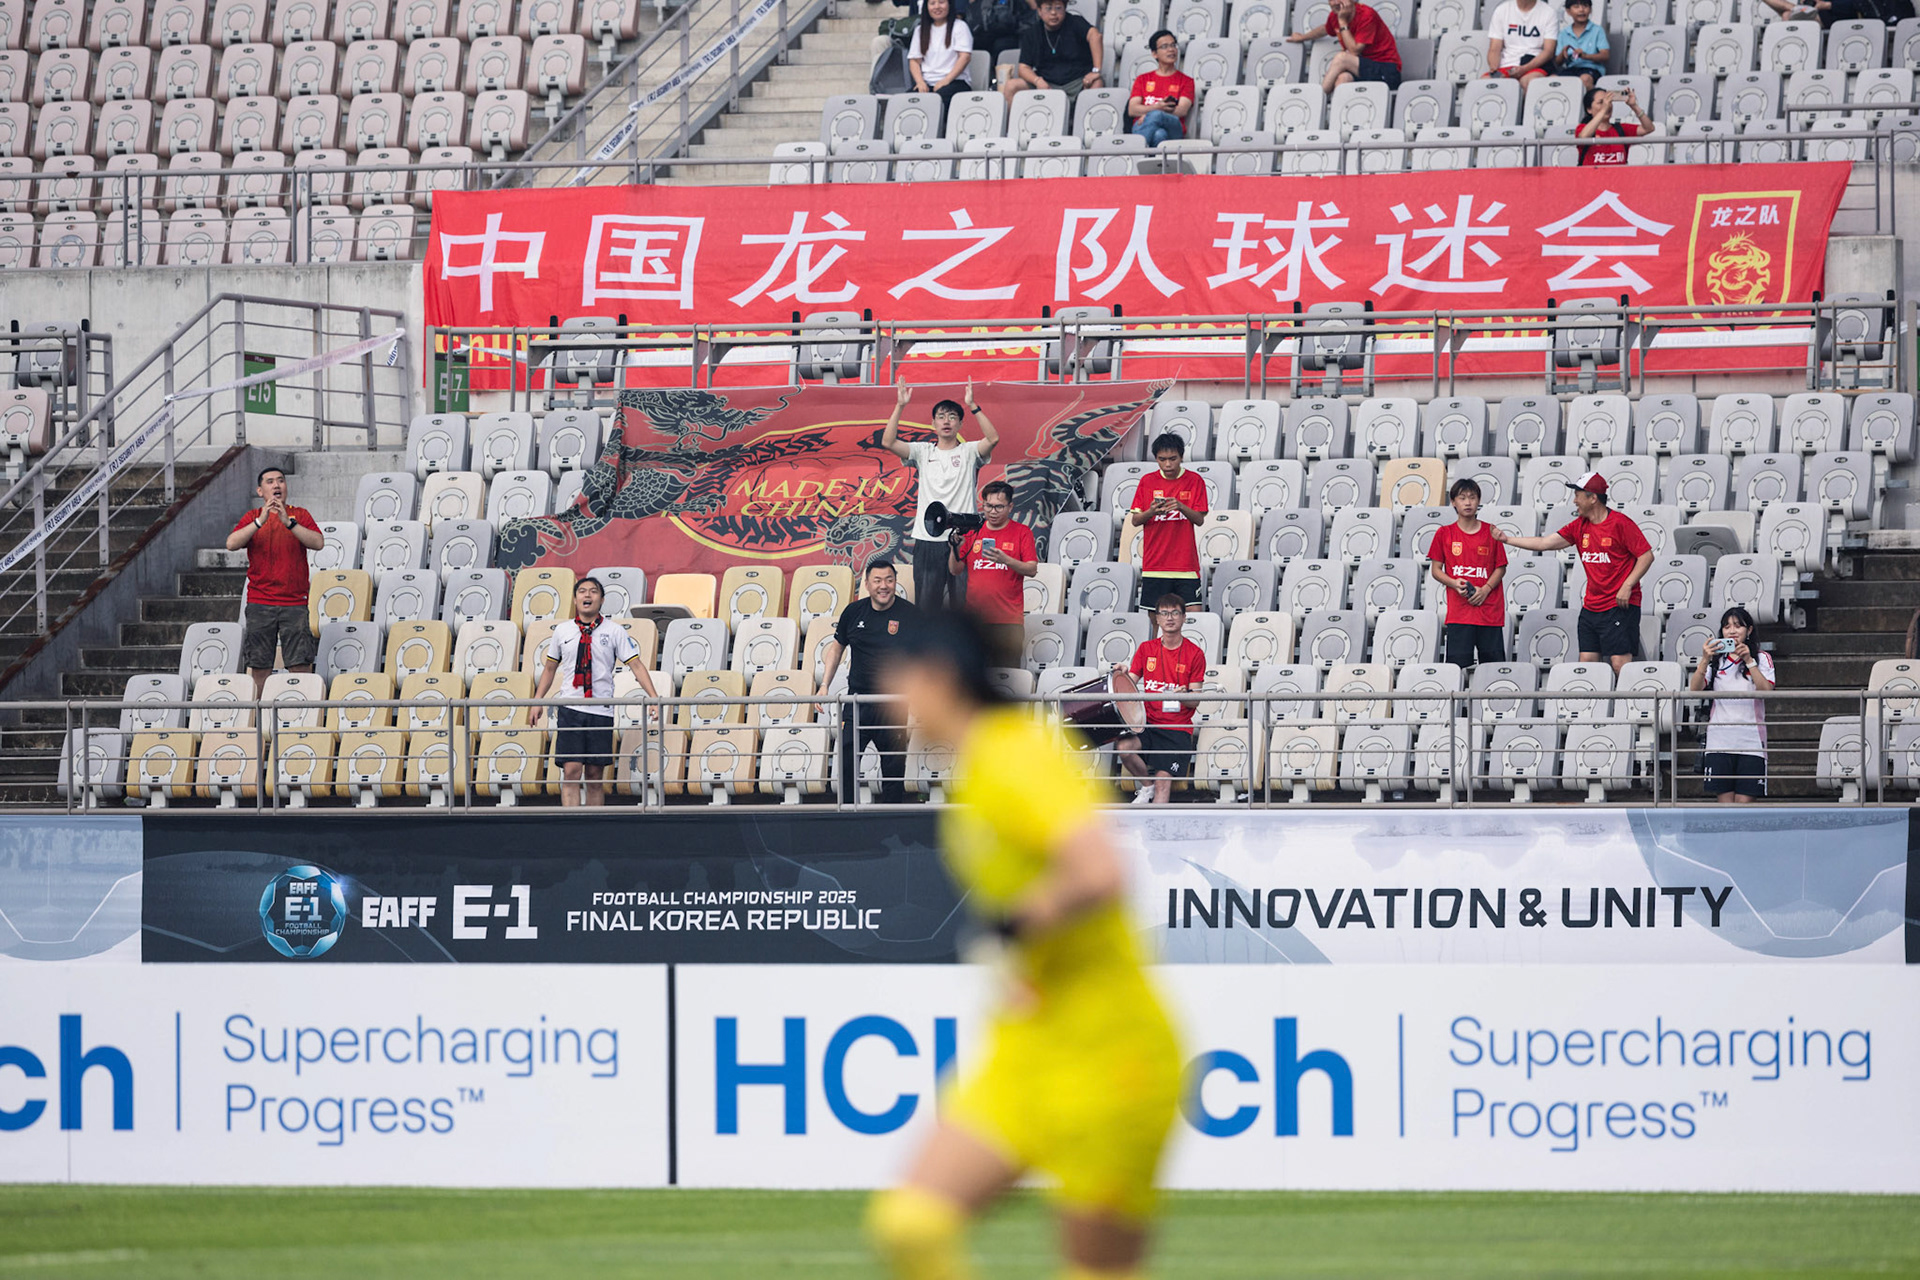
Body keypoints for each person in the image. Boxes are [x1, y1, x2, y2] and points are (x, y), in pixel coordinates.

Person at [866, 611, 1181, 1280]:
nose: (887, 697)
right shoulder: (976, 771)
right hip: (1031, 1046)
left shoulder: (1016, 753)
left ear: (938, 678)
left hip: (1111, 1054)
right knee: (910, 1225)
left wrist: (1018, 921)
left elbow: (1099, 871)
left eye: (895, 680)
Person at [1492, 471, 1654, 674]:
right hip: (1591, 607)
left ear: (1593, 498)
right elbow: (1545, 543)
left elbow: (1646, 556)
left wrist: (1627, 585)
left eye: (1578, 494)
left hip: (1619, 606)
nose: (1574, 500)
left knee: (1620, 664)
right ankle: (1596, 704)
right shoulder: (1579, 526)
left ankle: (1628, 705)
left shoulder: (1621, 523)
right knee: (1586, 664)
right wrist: (1507, 539)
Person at [531, 577, 658, 806]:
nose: (587, 596)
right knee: (571, 770)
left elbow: (636, 665)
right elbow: (550, 668)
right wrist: (537, 700)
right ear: (575, 598)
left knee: (594, 775)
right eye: (582, 591)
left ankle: (594, 826)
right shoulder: (562, 631)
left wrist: (654, 697)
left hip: (601, 708)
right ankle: (571, 825)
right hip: (570, 708)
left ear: (602, 599)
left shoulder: (615, 631)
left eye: (593, 592)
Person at [883, 379, 1000, 613]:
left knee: (964, 606)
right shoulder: (922, 451)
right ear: (933, 423)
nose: (946, 421)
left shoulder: (968, 452)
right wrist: (899, 405)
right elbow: (888, 442)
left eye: (952, 417)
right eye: (941, 417)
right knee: (927, 607)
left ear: (960, 424)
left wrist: (973, 405)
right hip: (928, 540)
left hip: (962, 538)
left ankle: (963, 649)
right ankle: (928, 649)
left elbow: (993, 439)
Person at [819, 559, 924, 804]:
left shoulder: (911, 615)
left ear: (896, 582)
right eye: (877, 580)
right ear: (866, 584)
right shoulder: (853, 612)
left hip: (893, 703)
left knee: (893, 765)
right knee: (846, 758)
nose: (884, 586)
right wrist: (824, 684)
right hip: (857, 701)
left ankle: (892, 821)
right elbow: (836, 650)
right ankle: (846, 815)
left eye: (889, 580)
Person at [226, 465, 324, 697]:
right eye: (270, 482)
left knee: (300, 663)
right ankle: (261, 720)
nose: (277, 485)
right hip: (260, 602)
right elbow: (231, 543)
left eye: (280, 481)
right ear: (260, 491)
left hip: (294, 603)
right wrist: (260, 521)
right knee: (259, 665)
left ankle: (302, 714)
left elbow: (318, 542)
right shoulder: (252, 517)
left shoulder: (299, 515)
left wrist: (288, 522)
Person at [1115, 596, 1207, 805]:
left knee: (1164, 781)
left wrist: (1184, 697)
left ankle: (1156, 834)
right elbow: (1129, 686)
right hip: (1148, 724)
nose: (1170, 618)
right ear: (1157, 618)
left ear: (1184, 618)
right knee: (1124, 748)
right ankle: (1146, 786)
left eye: (1175, 613)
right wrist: (1121, 675)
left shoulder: (1195, 653)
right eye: (1164, 613)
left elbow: (1196, 701)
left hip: (1177, 729)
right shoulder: (1147, 649)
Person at [1689, 605, 1776, 804]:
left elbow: (1766, 691)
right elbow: (1694, 689)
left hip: (1751, 742)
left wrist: (1749, 660)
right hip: (1720, 741)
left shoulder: (1762, 658)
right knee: (1725, 807)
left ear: (1749, 630)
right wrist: (1704, 659)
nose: (1732, 631)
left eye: (1738, 626)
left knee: (1744, 805)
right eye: (1727, 627)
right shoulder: (1716, 660)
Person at [949, 480, 1037, 668]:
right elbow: (955, 570)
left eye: (999, 507)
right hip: (975, 621)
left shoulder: (1022, 532)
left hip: (1008, 622)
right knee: (975, 680)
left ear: (1010, 506)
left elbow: (1032, 569)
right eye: (988, 506)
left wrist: (1006, 560)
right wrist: (954, 548)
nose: (992, 512)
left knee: (1006, 678)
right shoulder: (973, 531)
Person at [1427, 478, 1507, 669]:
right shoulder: (1444, 533)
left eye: (1472, 497)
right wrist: (1454, 583)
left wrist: (1486, 589)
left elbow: (1501, 567)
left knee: (1493, 671)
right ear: (1453, 502)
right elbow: (1436, 570)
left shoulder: (1491, 531)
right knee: (1456, 670)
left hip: (1489, 613)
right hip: (1459, 615)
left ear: (1479, 501)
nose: (1468, 502)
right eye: (1462, 498)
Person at [1129, 432, 1208, 612]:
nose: (1167, 464)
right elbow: (1135, 521)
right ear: (1156, 459)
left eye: (1173, 458)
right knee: (1157, 623)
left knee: (1195, 620)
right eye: (1162, 459)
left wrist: (1181, 506)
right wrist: (1151, 511)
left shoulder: (1195, 480)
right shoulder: (1147, 481)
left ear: (1181, 457)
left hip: (1186, 565)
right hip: (1154, 566)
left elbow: (1200, 520)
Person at [1001, 0, 1103, 106]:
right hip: (1046, 83)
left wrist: (1096, 70)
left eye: (1058, 8)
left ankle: (1084, 121)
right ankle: (1011, 122)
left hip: (1078, 81)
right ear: (1039, 11)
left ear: (1065, 8)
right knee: (1011, 86)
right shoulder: (1032, 33)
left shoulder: (1075, 22)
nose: (1053, 13)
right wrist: (1037, 81)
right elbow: (1023, 68)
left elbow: (1095, 36)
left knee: (1097, 82)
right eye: (1048, 8)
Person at [1288, 0, 1402, 93]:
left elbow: (1354, 51)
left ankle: (1318, 99)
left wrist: (1342, 21)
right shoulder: (1335, 16)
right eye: (1331, 0)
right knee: (1342, 80)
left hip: (1387, 71)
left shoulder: (1367, 15)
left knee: (1342, 58)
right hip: (1361, 69)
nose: (1334, 3)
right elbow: (1325, 29)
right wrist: (1302, 37)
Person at [1127, 30, 1194, 148]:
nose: (1171, 49)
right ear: (1154, 53)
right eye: (1165, 46)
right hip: (1142, 126)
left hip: (1174, 127)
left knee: (1156, 115)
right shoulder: (1142, 79)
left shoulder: (1186, 81)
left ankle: (1135, 153)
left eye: (1173, 45)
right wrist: (1155, 108)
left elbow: (1182, 111)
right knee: (1159, 135)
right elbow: (1132, 110)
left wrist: (1152, 114)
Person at [911, 0, 975, 111]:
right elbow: (914, 61)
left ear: (949, 4)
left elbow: (965, 57)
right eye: (932, 3)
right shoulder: (919, 30)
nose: (937, 7)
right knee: (907, 101)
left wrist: (945, 81)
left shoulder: (960, 27)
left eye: (941, 2)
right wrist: (920, 82)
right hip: (928, 83)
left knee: (934, 103)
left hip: (955, 82)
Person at [1574, 84, 1650, 165]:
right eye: (1601, 102)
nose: (1607, 105)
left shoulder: (1621, 129)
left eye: (1609, 101)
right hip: (1591, 177)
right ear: (1589, 109)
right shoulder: (1582, 128)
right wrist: (1603, 110)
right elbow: (1583, 137)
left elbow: (1648, 128)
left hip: (1618, 177)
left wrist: (1634, 106)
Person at [1483, 0, 1557, 83]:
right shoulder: (1501, 10)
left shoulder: (1548, 12)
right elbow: (1495, 48)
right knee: (1485, 82)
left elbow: (1548, 51)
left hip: (1534, 64)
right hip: (1507, 64)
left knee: (1529, 82)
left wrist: (1524, 69)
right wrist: (1495, 70)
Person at [1554, 0, 1608, 87]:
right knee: (1552, 80)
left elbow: (1605, 56)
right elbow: (1558, 62)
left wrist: (1585, 56)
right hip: (1571, 69)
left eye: (1585, 6)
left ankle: (1587, 100)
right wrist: (1563, 52)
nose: (1581, 10)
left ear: (1590, 10)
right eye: (1576, 7)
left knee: (1585, 79)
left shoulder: (1597, 30)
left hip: (1591, 69)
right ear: (1568, 11)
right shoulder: (1563, 33)